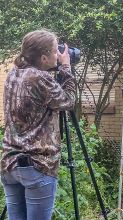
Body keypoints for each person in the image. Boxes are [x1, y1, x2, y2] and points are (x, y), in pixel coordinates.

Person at [0, 29, 75, 220]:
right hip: (37, 165)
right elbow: (68, 101)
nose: (58, 55)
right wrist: (66, 68)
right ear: (43, 58)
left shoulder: (14, 74)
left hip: (10, 163)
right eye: (54, 51)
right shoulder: (40, 79)